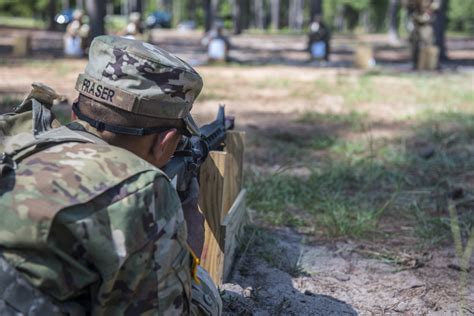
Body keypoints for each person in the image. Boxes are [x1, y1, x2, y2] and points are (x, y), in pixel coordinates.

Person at [0, 35, 221, 315]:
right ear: (164, 143)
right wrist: (189, 258)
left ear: (75, 107)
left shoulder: (12, 134)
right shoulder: (139, 190)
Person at [408, 0, 439, 69]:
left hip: (426, 23)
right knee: (414, 45)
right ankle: (415, 64)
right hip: (416, 22)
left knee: (428, 45)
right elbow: (409, 5)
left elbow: (436, 6)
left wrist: (429, 13)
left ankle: (429, 66)